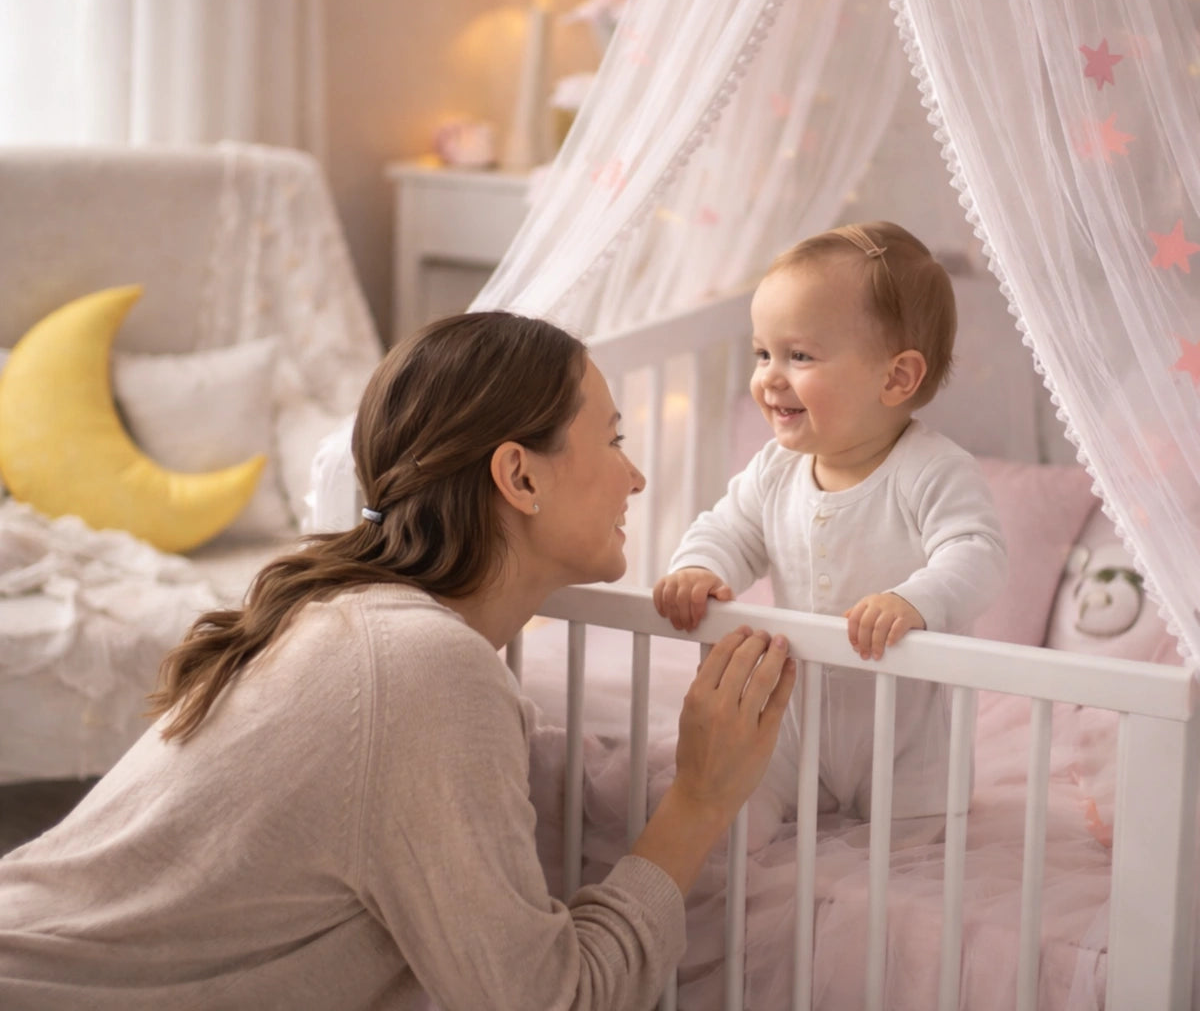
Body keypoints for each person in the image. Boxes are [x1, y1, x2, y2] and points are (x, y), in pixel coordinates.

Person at [0, 311, 796, 1011]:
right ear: (519, 476)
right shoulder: (423, 670)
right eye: (614, 439)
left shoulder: (346, 618)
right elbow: (551, 1001)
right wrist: (700, 797)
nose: (636, 475)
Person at [653, 221, 1006, 837]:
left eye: (800, 356)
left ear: (896, 378)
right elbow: (729, 529)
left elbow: (977, 555)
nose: (769, 376)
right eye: (763, 353)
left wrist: (913, 600)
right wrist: (699, 569)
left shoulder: (932, 470)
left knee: (909, 856)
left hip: (907, 727)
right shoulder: (775, 468)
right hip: (794, 711)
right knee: (735, 821)